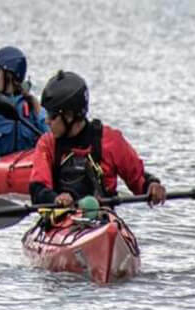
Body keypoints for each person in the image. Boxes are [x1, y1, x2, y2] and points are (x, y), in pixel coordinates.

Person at [28, 70, 167, 208]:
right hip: (60, 220)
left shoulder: (110, 140)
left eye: (52, 116)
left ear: (69, 115)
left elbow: (138, 179)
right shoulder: (47, 144)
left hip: (102, 220)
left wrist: (152, 185)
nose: (46, 121)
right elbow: (38, 189)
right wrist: (56, 199)